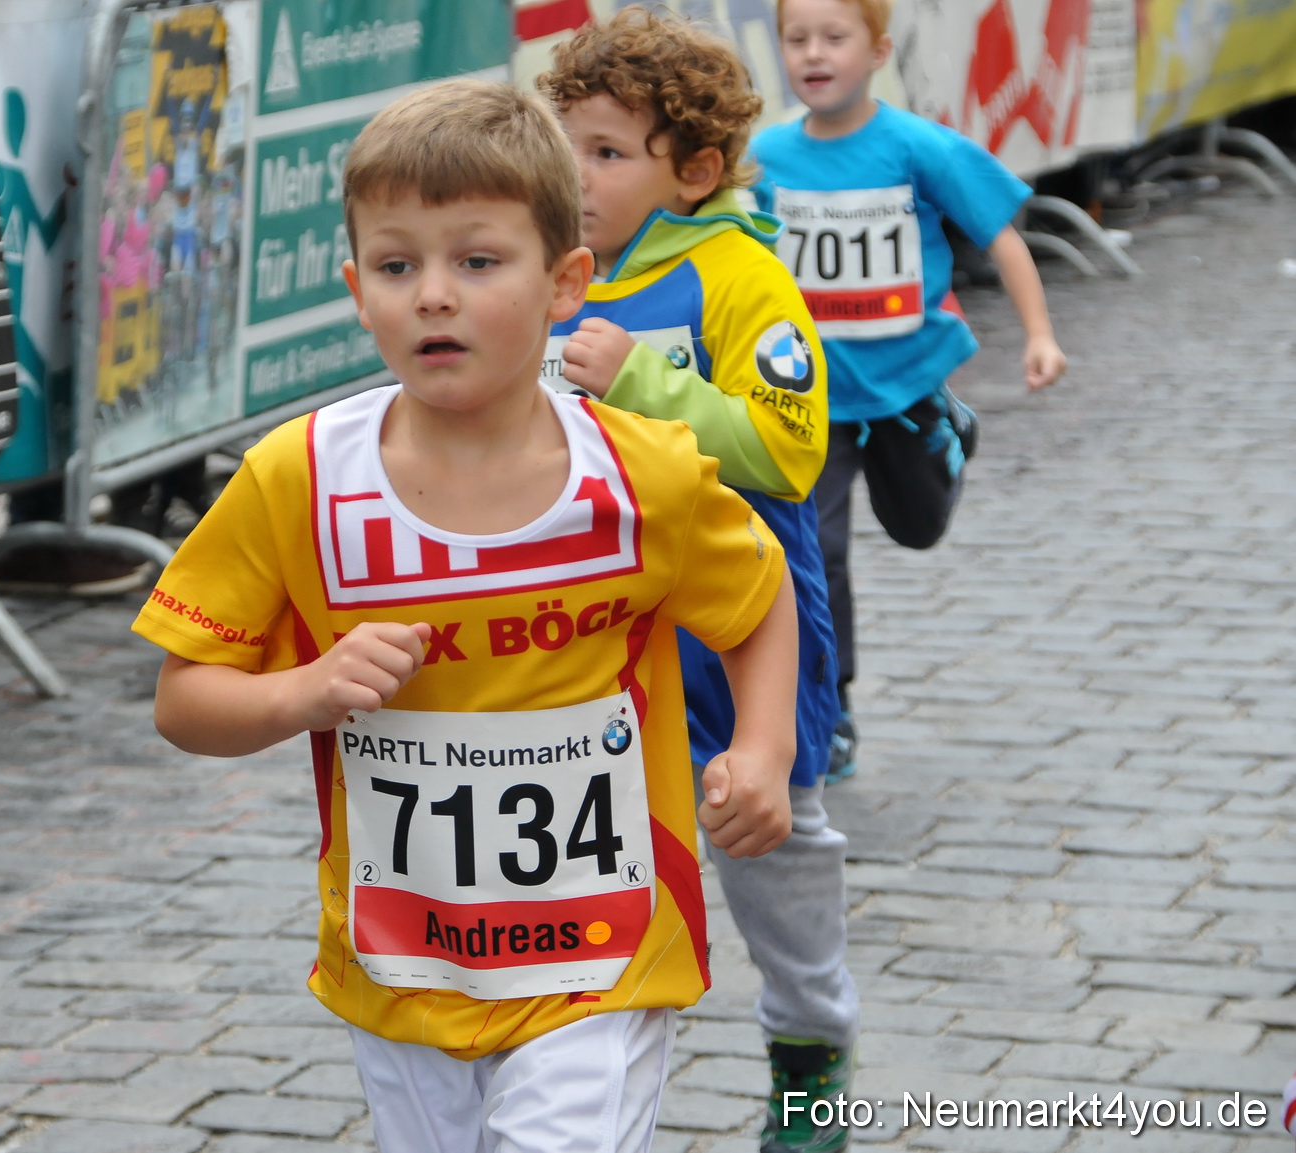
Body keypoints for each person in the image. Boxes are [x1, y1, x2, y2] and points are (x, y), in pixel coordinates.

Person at [133, 79, 800, 1153]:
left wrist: (764, 750)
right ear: (356, 289)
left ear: (566, 283)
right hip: (405, 968)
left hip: (600, 957)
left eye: (478, 262)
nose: (433, 295)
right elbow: (182, 699)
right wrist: (302, 691)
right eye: (398, 266)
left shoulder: (640, 478)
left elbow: (760, 599)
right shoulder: (296, 479)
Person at [538, 10, 856, 1151]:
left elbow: (789, 448)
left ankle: (811, 1045)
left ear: (695, 170)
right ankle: (578, 1075)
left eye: (608, 153)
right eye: (564, 143)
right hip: (598, 629)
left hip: (735, 624)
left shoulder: (737, 271)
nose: (576, 175)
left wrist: (640, 383)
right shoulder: (548, 265)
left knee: (768, 841)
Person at [751, 0, 1066, 779]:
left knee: (918, 527)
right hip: (808, 401)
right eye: (797, 39)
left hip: (903, 386)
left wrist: (1039, 334)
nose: (814, 54)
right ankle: (833, 708)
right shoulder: (762, 158)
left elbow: (997, 234)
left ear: (878, 49)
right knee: (813, 556)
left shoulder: (915, 146)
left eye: (834, 38)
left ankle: (947, 429)